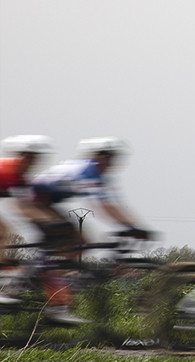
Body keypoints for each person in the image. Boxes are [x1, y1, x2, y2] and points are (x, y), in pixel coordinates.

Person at [26, 137, 152, 324]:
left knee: (81, 241)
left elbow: (114, 204)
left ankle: (55, 285)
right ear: (98, 157)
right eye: (109, 158)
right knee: (75, 241)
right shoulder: (87, 170)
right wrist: (131, 227)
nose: (112, 163)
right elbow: (104, 205)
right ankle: (46, 285)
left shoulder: (96, 175)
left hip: (43, 202)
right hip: (31, 202)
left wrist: (132, 225)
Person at [0, 135, 56, 306]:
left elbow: (30, 204)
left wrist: (49, 220)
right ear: (21, 156)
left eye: (36, 158)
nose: (33, 162)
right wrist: (51, 222)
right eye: (30, 158)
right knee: (5, 233)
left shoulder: (20, 177)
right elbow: (20, 207)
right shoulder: (8, 170)